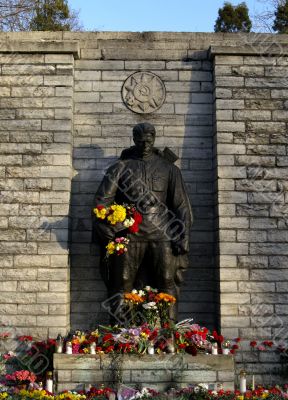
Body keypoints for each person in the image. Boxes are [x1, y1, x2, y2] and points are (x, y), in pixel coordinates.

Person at [92, 122, 193, 323]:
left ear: (154, 139)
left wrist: (184, 235)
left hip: (162, 233)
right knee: (122, 284)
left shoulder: (169, 169)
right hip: (129, 235)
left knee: (166, 281)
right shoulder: (120, 168)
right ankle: (120, 335)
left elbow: (181, 206)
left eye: (149, 140)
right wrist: (105, 226)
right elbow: (102, 202)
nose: (145, 144)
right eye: (140, 140)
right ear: (134, 139)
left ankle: (168, 331)